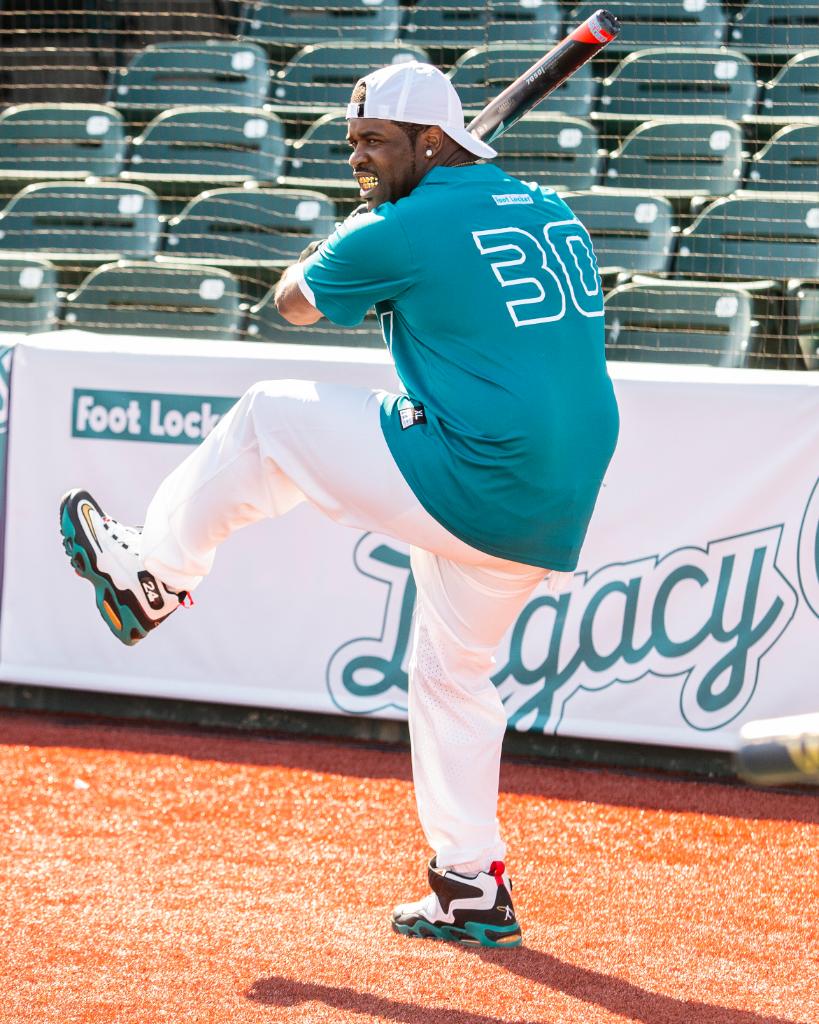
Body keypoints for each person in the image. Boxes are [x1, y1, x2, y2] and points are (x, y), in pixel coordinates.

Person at [59, 61, 619, 949]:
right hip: (552, 493)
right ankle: (469, 883)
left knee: (269, 417)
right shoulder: (545, 204)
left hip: (473, 470)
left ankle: (154, 574)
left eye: (375, 142)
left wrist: (353, 233)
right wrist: (382, 215)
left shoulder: (396, 228)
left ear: (432, 141)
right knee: (450, 676)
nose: (356, 156)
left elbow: (292, 305)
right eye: (351, 140)